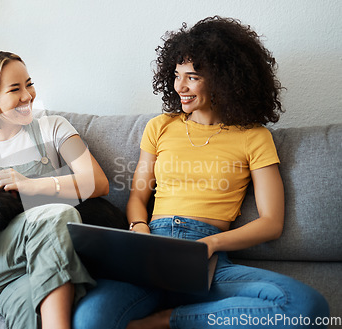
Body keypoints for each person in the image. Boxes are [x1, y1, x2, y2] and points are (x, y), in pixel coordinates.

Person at [73, 16, 330, 329]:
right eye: (177, 75)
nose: (179, 86)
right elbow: (138, 196)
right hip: (151, 250)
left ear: (223, 80)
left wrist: (210, 245)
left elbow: (271, 223)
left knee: (309, 307)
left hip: (209, 257)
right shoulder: (161, 127)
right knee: (89, 319)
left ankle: (168, 320)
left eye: (192, 77)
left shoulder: (254, 136)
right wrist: (140, 229)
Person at [0, 51, 109, 329]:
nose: (28, 95)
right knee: (55, 218)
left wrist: (33, 186)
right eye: (15, 89)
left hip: (36, 259)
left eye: (29, 84)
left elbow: (97, 182)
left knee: (34, 307)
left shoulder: (54, 127)